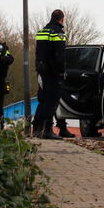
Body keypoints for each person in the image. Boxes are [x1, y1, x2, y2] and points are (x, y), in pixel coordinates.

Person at [32, 9, 67, 139]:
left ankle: (37, 129)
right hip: (53, 72)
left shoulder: (41, 32)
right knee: (52, 101)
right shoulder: (58, 32)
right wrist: (61, 71)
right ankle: (48, 130)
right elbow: (60, 54)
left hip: (42, 71)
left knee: (43, 100)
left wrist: (39, 68)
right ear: (61, 19)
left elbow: (37, 52)